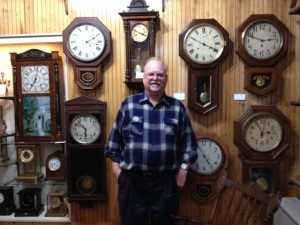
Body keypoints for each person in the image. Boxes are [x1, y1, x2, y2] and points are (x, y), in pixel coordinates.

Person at [105, 57, 198, 225]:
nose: (155, 78)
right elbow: (114, 143)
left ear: (166, 78)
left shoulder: (177, 108)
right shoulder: (128, 105)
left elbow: (190, 145)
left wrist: (183, 171)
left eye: (160, 75)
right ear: (144, 78)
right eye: (151, 74)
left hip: (166, 184)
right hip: (132, 183)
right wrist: (119, 173)